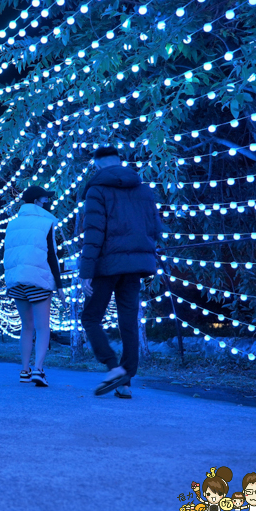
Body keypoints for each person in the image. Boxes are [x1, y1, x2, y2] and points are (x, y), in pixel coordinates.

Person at [78, 145, 159, 398]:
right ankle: (126, 383)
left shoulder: (97, 189)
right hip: (135, 266)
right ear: (119, 162)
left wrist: (86, 271)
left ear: (97, 166)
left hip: (106, 265)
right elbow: (155, 228)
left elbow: (93, 235)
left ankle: (114, 368)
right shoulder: (143, 190)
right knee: (128, 322)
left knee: (90, 318)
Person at [4, 185, 65, 387]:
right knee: (42, 327)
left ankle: (24, 370)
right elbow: (51, 256)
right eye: (45, 198)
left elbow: (8, 254)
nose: (47, 201)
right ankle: (38, 369)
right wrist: (59, 285)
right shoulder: (45, 222)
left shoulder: (13, 224)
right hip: (39, 279)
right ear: (38, 201)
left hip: (17, 280)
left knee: (26, 327)